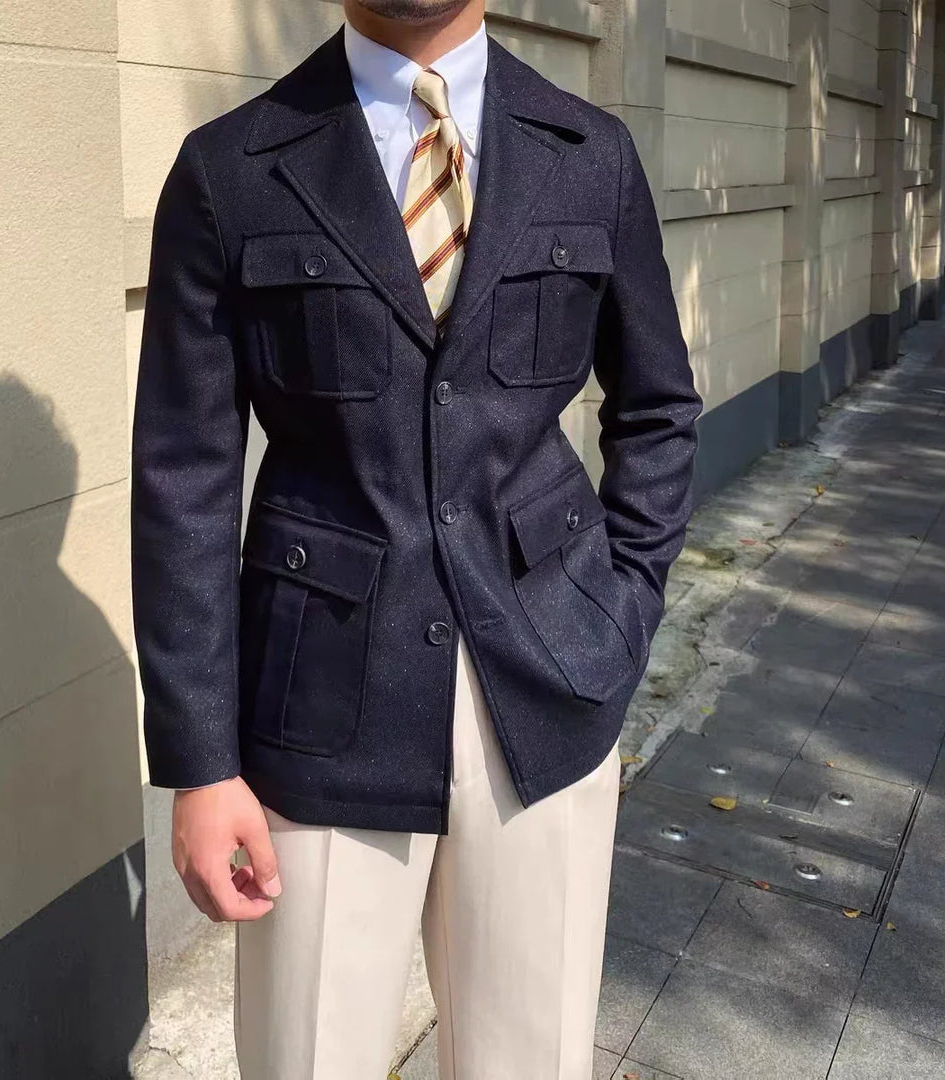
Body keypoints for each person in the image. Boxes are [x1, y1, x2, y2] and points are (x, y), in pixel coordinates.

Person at [130, 0, 702, 1076]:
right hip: (321, 717)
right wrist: (202, 766)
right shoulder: (233, 170)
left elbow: (658, 408)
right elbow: (184, 484)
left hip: (548, 697)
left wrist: (621, 617)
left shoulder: (592, 156)